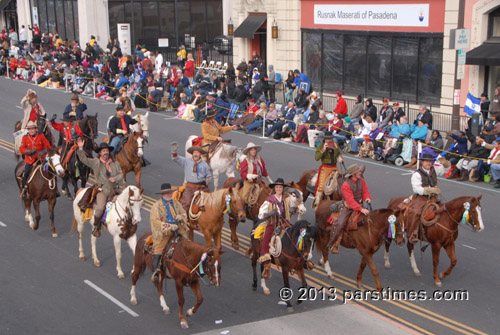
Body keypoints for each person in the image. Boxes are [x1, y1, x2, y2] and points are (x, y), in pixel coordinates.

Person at [76, 138, 125, 236]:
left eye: (107, 151)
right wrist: (80, 148)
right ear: (100, 153)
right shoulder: (96, 162)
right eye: (103, 151)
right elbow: (84, 160)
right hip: (103, 190)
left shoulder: (115, 163)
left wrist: (115, 178)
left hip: (115, 188)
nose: (105, 153)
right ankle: (96, 227)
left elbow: (121, 174)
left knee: (129, 198)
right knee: (100, 208)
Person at [326, 164, 372, 253]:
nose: (360, 173)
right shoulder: (345, 185)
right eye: (358, 172)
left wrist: (367, 198)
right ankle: (331, 242)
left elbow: (365, 191)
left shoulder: (361, 180)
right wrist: (361, 209)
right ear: (353, 174)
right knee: (340, 223)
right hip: (348, 207)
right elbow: (350, 201)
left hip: (360, 205)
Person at [150, 183, 187, 284]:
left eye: (170, 192)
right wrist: (169, 226)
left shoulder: (176, 203)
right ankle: (156, 273)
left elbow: (184, 213)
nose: (169, 194)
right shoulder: (156, 206)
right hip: (164, 233)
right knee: (158, 249)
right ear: (162, 194)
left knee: (187, 244)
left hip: (177, 230)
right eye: (166, 193)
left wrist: (181, 217)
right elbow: (155, 221)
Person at [257, 178, 294, 279]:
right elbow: (261, 214)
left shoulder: (286, 199)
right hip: (272, 223)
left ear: (283, 189)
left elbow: (295, 204)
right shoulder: (270, 200)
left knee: (294, 234)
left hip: (284, 223)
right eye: (277, 187)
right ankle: (266, 264)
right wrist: (270, 214)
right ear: (274, 188)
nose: (278, 189)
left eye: (280, 187)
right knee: (267, 239)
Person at [405, 152, 441, 243]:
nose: (428, 163)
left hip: (433, 197)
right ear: (422, 162)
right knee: (416, 212)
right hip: (422, 197)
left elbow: (445, 169)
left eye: (430, 162)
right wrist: (430, 190)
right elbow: (416, 189)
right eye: (426, 161)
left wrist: (445, 163)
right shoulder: (416, 174)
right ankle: (413, 233)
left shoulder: (434, 170)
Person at [171, 142, 211, 212]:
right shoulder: (186, 161)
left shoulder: (205, 164)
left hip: (201, 187)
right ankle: (184, 219)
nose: (195, 154)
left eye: (197, 153)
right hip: (190, 187)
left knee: (209, 203)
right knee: (187, 203)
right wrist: (174, 152)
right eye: (194, 152)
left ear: (200, 154)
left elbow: (208, 175)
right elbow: (176, 159)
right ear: (192, 154)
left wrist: (208, 179)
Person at [19, 121, 53, 199]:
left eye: (33, 129)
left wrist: (42, 152)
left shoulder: (41, 136)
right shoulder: (25, 138)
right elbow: (21, 149)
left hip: (41, 159)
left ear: (36, 129)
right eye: (29, 129)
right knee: (26, 173)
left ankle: (55, 190)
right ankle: (25, 190)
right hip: (30, 160)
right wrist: (29, 151)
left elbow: (48, 147)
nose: (31, 131)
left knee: (51, 171)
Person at [313, 131, 343, 208]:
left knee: (342, 181)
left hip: (334, 167)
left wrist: (340, 157)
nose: (329, 140)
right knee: (321, 186)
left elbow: (339, 152)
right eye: (327, 139)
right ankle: (318, 203)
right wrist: (323, 149)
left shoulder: (335, 145)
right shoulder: (320, 146)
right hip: (326, 168)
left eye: (330, 139)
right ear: (325, 139)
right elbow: (317, 158)